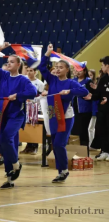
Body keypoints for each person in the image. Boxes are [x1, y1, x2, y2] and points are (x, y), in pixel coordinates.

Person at [0, 42, 37, 189]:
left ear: (18, 64)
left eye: (12, 62)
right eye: (7, 62)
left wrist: (18, 95)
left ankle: (14, 167)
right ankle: (11, 172)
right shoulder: (3, 76)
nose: (8, 64)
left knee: (7, 137)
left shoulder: (23, 79)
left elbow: (32, 93)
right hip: (1, 114)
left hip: (16, 115)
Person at [38, 44, 89, 182]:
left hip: (66, 117)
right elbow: (42, 67)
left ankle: (64, 170)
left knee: (60, 144)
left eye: (61, 67)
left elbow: (84, 92)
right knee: (55, 144)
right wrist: (48, 53)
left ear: (67, 70)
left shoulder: (71, 83)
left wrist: (70, 91)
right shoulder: (52, 79)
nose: (58, 69)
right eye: (56, 67)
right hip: (53, 115)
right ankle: (61, 171)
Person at [88, 56, 109, 161]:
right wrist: (91, 95)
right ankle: (104, 151)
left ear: (107, 65)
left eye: (102, 65)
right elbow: (98, 94)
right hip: (102, 110)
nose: (101, 67)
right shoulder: (103, 78)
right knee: (101, 129)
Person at [21, 67, 45, 155]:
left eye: (31, 71)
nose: (29, 72)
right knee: (27, 127)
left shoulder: (40, 83)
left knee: (34, 126)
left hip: (35, 108)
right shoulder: (24, 80)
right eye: (27, 71)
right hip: (25, 107)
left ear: (35, 72)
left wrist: (32, 100)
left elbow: (41, 96)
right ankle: (28, 146)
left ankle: (34, 147)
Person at [71, 66, 93, 149]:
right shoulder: (73, 81)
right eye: (76, 70)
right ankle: (76, 148)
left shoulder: (88, 81)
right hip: (74, 109)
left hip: (85, 109)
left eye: (80, 70)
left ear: (84, 71)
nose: (78, 72)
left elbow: (91, 94)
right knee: (75, 130)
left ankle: (84, 148)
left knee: (83, 129)